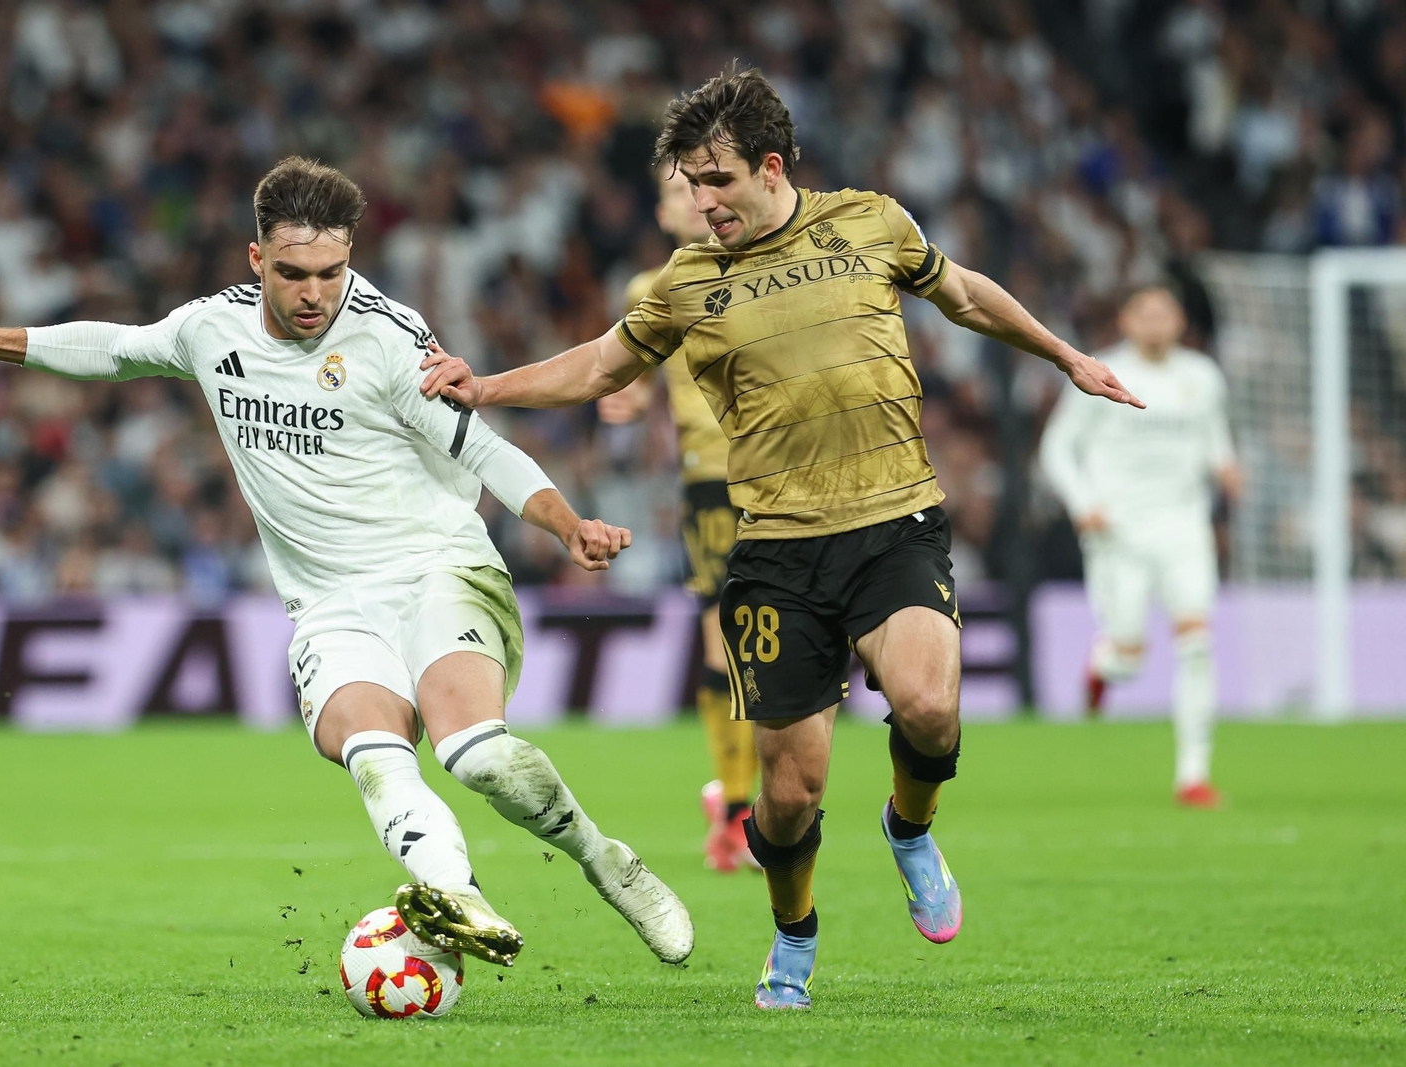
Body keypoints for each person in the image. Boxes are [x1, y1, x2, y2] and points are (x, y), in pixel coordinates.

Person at [418, 69, 1143, 1009]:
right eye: (688, 180)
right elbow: (600, 366)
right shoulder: (685, 283)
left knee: (929, 707)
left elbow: (963, 294)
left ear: (770, 166)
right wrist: (490, 386)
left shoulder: (871, 223)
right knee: (790, 796)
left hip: (894, 522)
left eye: (716, 180)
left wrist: (1064, 354)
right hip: (779, 552)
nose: (700, 201)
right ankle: (793, 934)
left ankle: (909, 828)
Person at [0, 155, 693, 969]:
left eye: (332, 271)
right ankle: (455, 895)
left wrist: (568, 526)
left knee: (477, 755)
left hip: (437, 568)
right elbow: (116, 349)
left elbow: (484, 449)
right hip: (328, 604)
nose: (317, 292)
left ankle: (607, 861)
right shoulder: (214, 329)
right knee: (371, 749)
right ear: (257, 261)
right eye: (294, 273)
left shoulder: (389, 338)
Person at [598, 166, 758, 873]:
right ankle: (735, 810)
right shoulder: (649, 291)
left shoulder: (769, 269)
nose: (694, 200)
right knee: (726, 650)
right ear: (663, 216)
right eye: (675, 193)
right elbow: (626, 374)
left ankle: (751, 799)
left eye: (701, 188)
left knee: (787, 653)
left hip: (791, 475)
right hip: (713, 485)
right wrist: (627, 402)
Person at [1040, 285, 1239, 808]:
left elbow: (1214, 437)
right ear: (1126, 320)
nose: (1155, 322)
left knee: (1196, 641)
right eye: (1144, 313)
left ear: (1180, 321)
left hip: (1184, 527)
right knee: (1129, 656)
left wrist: (1226, 466)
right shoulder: (1100, 371)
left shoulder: (1202, 376)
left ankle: (1193, 774)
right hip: (1118, 531)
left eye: (1165, 312)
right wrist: (1084, 503)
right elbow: (1057, 448)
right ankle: (1104, 666)